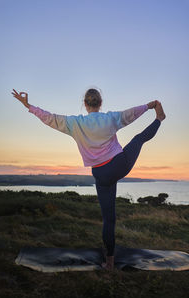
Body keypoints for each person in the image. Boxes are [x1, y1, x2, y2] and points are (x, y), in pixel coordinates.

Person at [11, 88, 166, 271]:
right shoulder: (110, 118)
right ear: (100, 103)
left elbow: (49, 118)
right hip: (118, 165)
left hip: (100, 174)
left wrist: (27, 105)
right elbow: (130, 114)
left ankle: (109, 262)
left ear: (85, 104)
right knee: (138, 139)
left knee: (109, 220)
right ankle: (160, 119)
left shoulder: (74, 123)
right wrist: (149, 106)